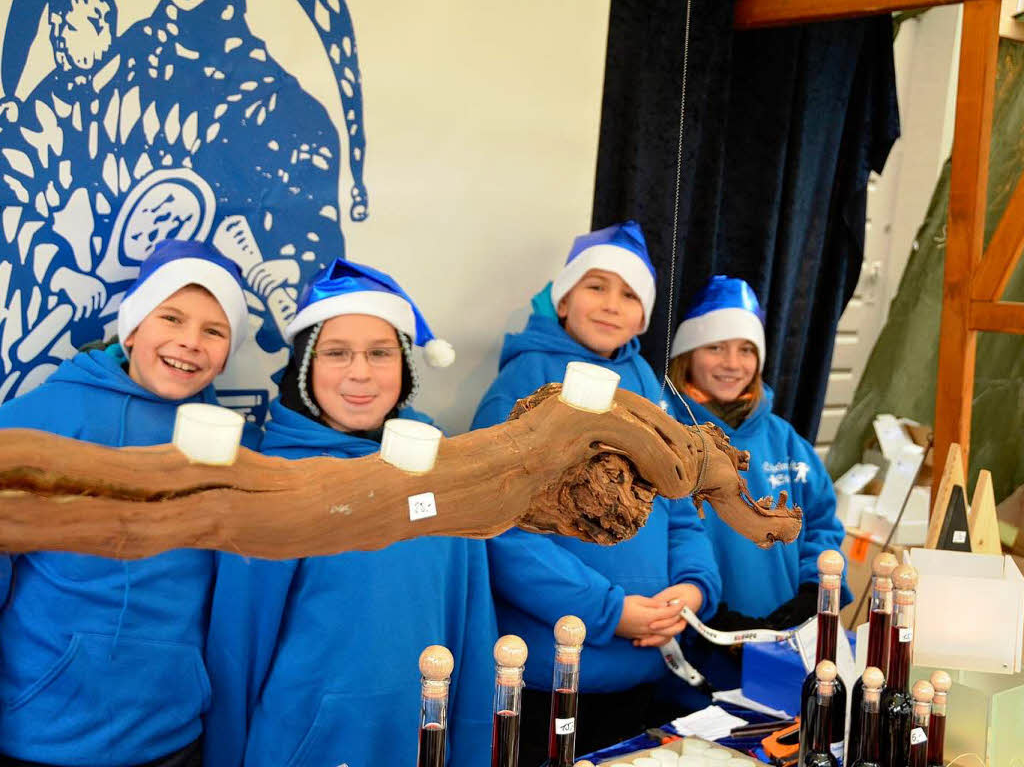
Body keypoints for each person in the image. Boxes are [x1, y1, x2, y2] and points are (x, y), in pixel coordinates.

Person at [203, 258, 496, 767]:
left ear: (404, 367)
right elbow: (237, 650)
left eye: (380, 353)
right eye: (337, 353)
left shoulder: (446, 469)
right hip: (303, 747)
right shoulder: (272, 478)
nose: (360, 372)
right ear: (306, 366)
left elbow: (472, 625)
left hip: (420, 744)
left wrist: (471, 750)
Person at [471, 221, 722, 761]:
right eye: (595, 286)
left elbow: (680, 509)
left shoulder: (649, 390)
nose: (611, 304)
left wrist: (692, 591)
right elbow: (501, 530)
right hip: (548, 678)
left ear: (644, 316)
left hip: (644, 671)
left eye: (629, 294)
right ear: (563, 301)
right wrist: (607, 611)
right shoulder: (520, 388)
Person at [0, 240, 252, 767]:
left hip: (172, 734)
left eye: (213, 330)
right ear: (134, 326)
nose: (189, 343)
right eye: (172, 318)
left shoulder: (235, 446)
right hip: (43, 730)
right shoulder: (36, 419)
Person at [665, 275, 851, 689]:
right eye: (715, 346)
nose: (733, 364)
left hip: (779, 649)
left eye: (746, 349)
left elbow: (821, 524)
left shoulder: (785, 441)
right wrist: (708, 611)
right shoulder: (665, 437)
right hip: (689, 648)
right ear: (687, 355)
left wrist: (811, 593)